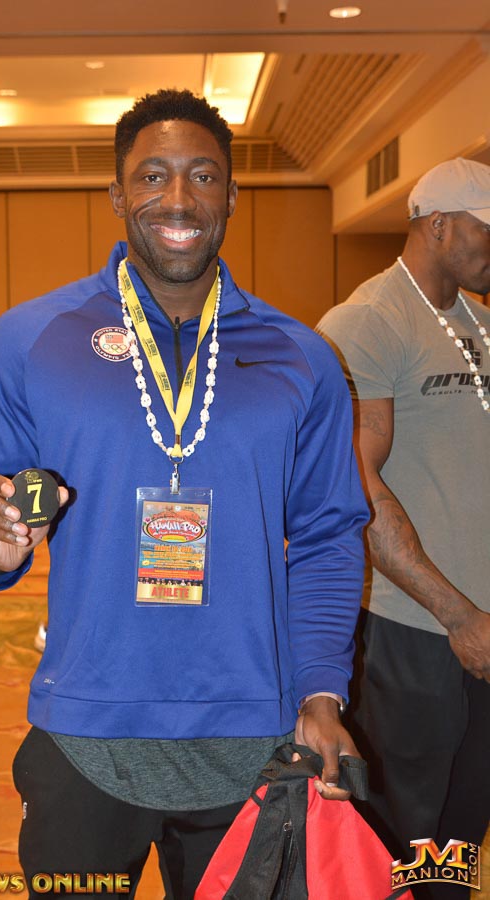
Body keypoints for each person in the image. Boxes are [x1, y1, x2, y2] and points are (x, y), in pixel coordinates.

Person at [0, 89, 369, 899]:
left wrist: (320, 690)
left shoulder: (300, 357)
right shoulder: (31, 338)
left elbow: (327, 533)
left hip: (252, 731)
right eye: (152, 176)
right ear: (117, 194)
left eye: (203, 176)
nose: (177, 199)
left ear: (231, 196)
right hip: (85, 728)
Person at [317, 157, 490, 898]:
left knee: (461, 830)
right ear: (439, 224)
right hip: (415, 629)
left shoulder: (478, 321)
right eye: (487, 228)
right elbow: (356, 489)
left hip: (481, 626)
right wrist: (458, 616)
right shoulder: (367, 322)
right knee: (401, 833)